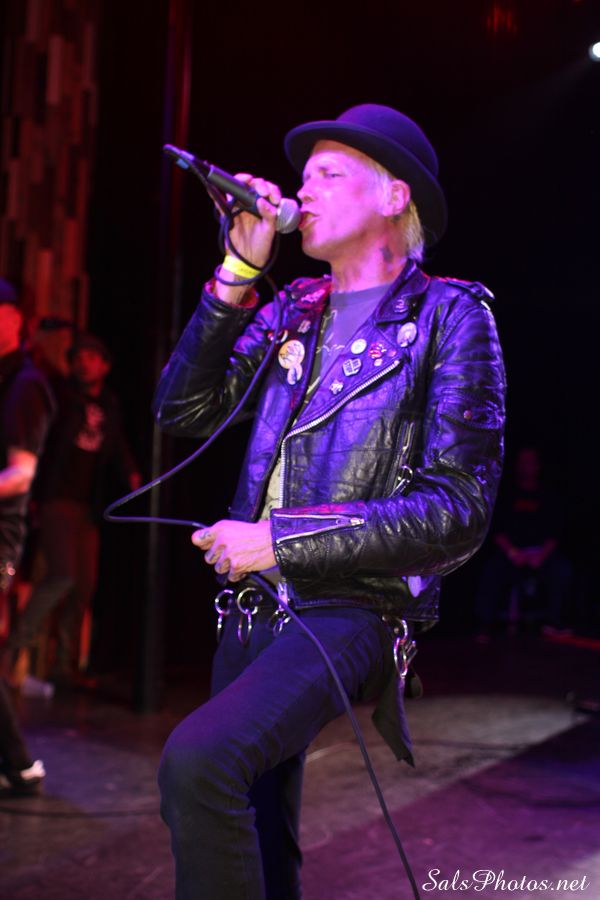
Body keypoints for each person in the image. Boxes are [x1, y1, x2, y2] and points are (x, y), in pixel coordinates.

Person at [153, 103, 506, 898]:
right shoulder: (295, 308)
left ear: (393, 196)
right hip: (252, 606)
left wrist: (281, 538)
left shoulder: (451, 316)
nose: (302, 190)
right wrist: (237, 272)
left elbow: (458, 510)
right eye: (303, 176)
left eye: (329, 174)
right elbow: (182, 411)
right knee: (254, 822)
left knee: (200, 763)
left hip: (353, 606)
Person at [7, 332, 141, 686]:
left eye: (91, 357)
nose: (84, 363)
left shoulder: (109, 406)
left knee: (83, 587)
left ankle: (64, 668)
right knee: (62, 576)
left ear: (105, 365)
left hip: (87, 507)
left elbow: (117, 447)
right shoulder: (60, 396)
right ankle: (11, 653)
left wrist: (131, 473)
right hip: (57, 499)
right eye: (78, 357)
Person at [0, 278, 54, 793]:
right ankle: (15, 764)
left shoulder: (25, 385)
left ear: (16, 318)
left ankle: (16, 763)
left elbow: (20, 474)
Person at [474, 445, 572, 638]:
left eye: (531, 462)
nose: (527, 466)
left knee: (562, 570)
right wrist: (512, 553)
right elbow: (496, 529)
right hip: (512, 553)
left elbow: (556, 531)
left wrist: (541, 555)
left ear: (538, 466)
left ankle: (554, 621)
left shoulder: (548, 495)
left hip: (540, 554)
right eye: (523, 462)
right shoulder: (507, 494)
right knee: (492, 571)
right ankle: (483, 624)